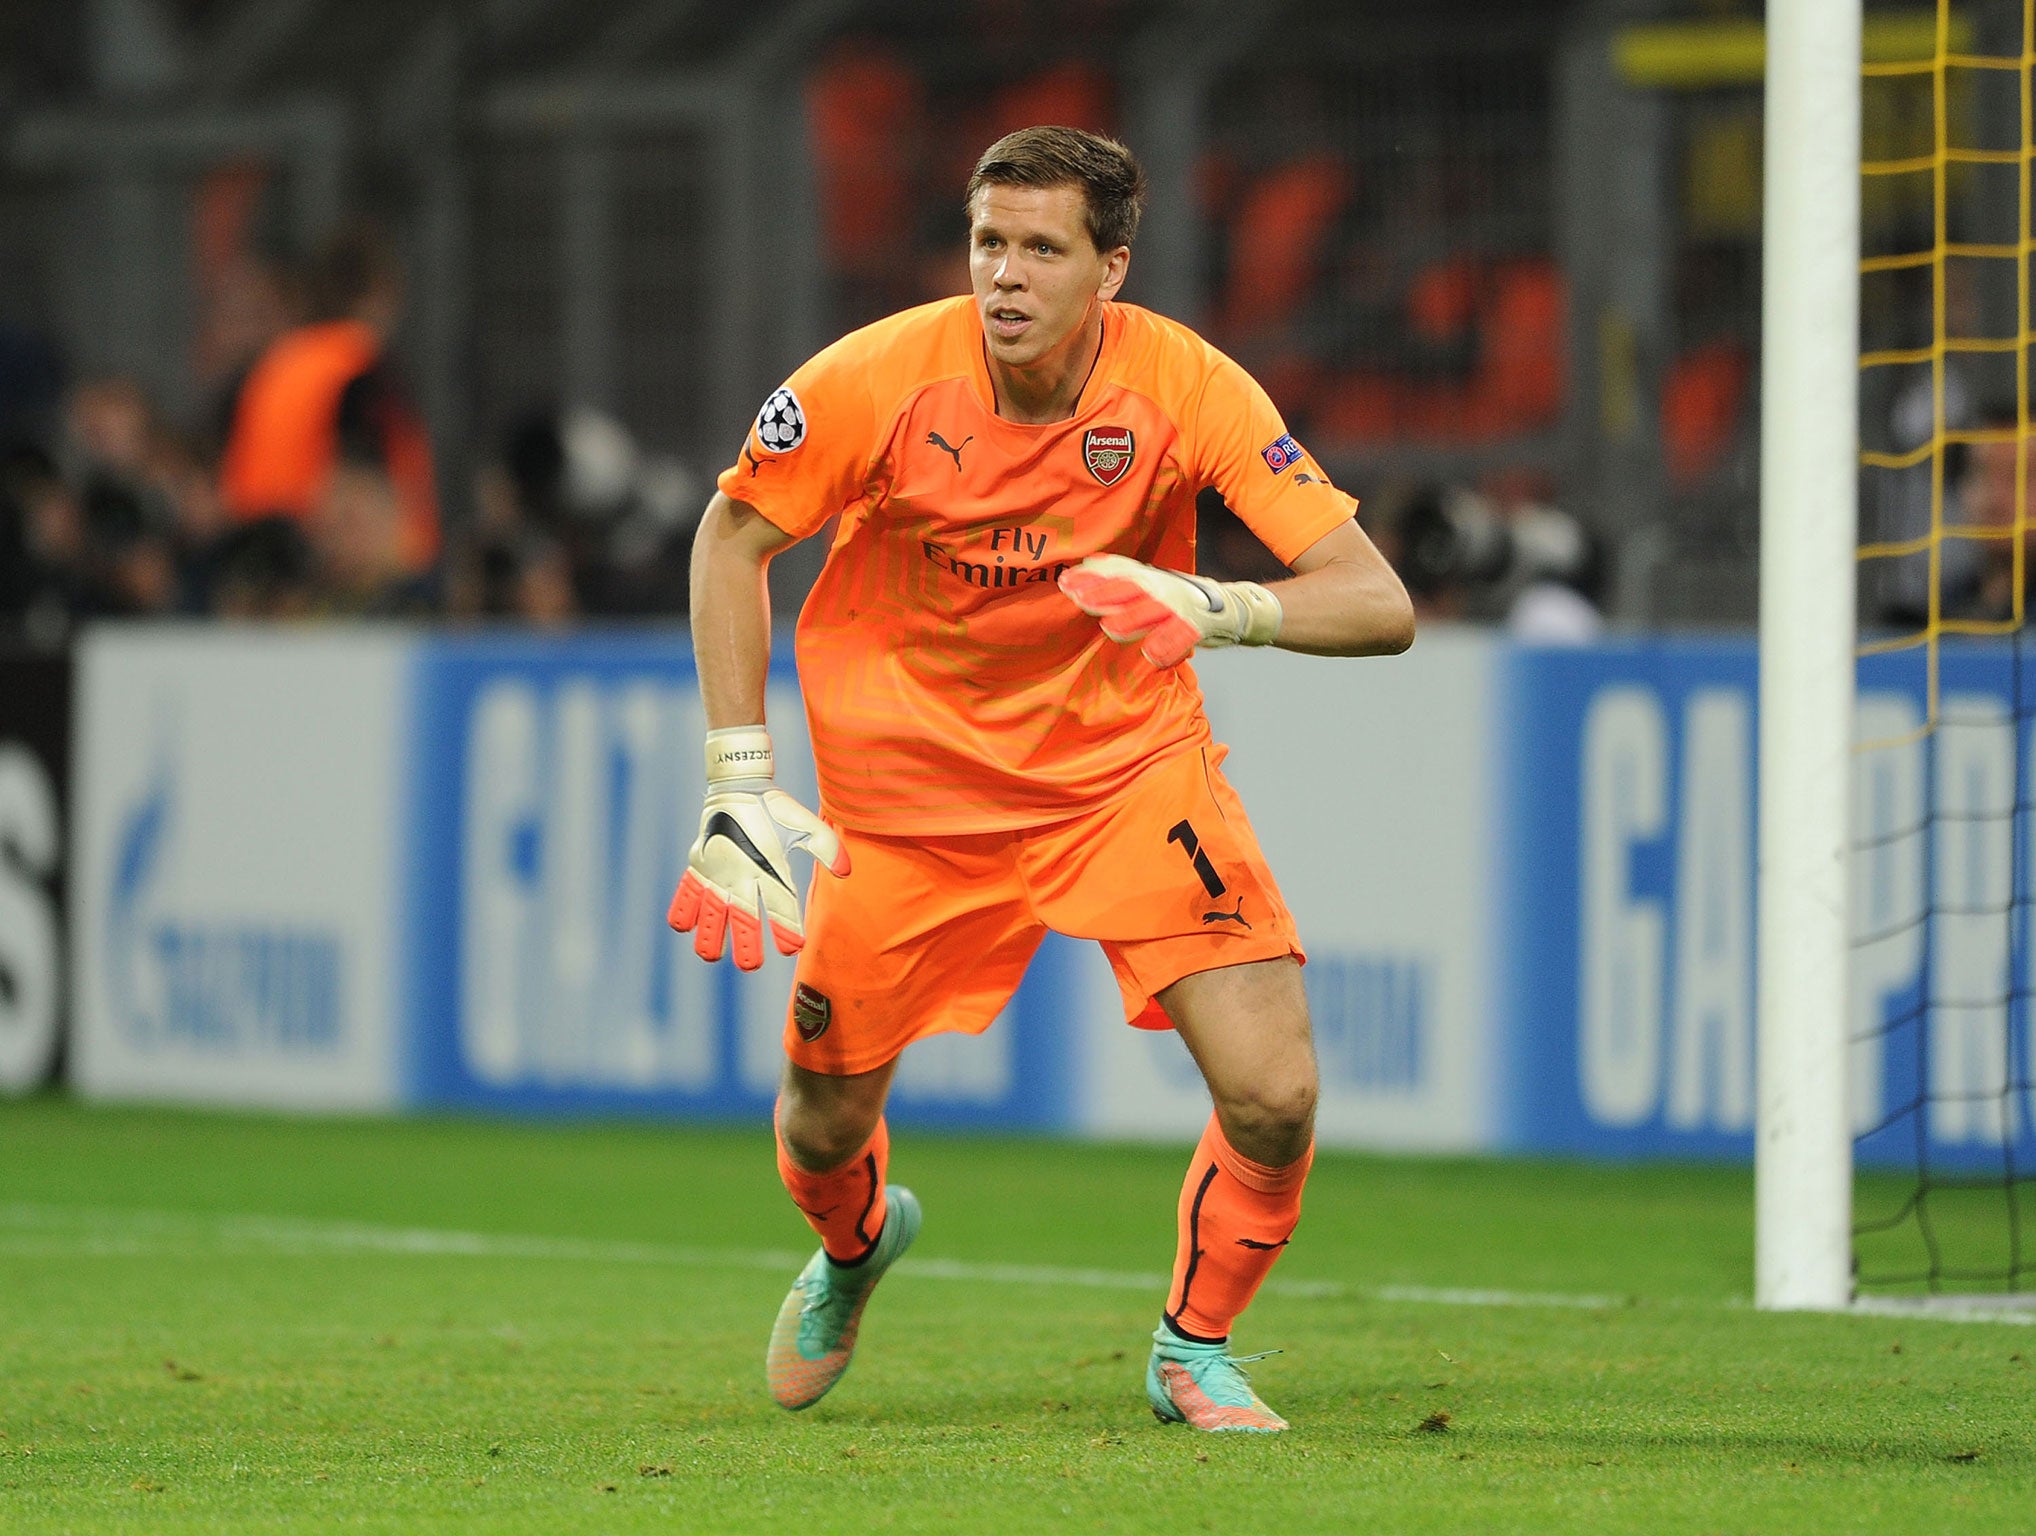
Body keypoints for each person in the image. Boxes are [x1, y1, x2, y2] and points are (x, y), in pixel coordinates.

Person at [669, 126, 1414, 1434]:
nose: (1003, 277)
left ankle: (1194, 1348)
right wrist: (736, 773)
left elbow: (1376, 600)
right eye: (987, 243)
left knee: (1277, 1091)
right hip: (910, 806)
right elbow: (733, 542)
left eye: (1041, 250)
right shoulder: (878, 380)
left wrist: (1210, 600)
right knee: (822, 1123)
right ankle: (853, 1253)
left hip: (1125, 776)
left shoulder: (1186, 387)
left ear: (1111, 267)